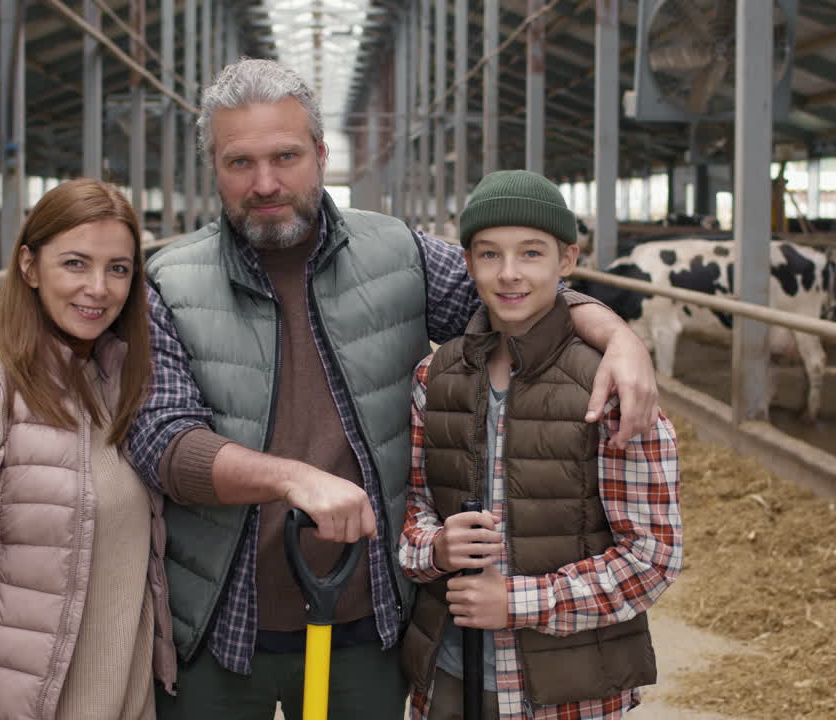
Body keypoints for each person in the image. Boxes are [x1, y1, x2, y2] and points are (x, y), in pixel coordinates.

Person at [128, 58, 659, 720]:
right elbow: (162, 441)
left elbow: (516, 298)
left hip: (367, 619)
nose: (265, 182)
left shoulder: (398, 254)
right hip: (220, 625)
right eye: (240, 162)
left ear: (321, 154)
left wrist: (618, 336)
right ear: (214, 166)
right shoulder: (167, 282)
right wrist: (292, 478)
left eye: (286, 156)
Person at [398, 170, 683, 720]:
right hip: (448, 675)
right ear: (466, 263)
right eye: (489, 254)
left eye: (531, 253)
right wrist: (434, 548)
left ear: (568, 259)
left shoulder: (614, 387)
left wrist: (517, 602)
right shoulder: (434, 376)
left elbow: (653, 558)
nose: (509, 274)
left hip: (566, 693)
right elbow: (414, 507)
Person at [0, 178, 176, 720]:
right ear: (29, 266)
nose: (98, 288)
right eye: (75, 263)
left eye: (118, 268)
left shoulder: (117, 386)